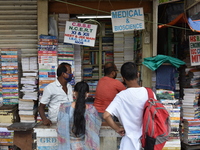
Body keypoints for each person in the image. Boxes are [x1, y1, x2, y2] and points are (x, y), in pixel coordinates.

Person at [103, 62, 155, 150]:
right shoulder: (150, 93)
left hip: (128, 143)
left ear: (123, 78)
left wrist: (117, 128)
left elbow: (106, 115)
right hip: (147, 141)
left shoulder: (121, 96)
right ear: (138, 75)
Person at [57, 81, 102, 150]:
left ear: (74, 93)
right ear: (87, 94)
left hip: (68, 146)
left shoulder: (64, 108)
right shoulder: (91, 110)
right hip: (86, 146)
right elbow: (95, 130)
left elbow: (60, 128)